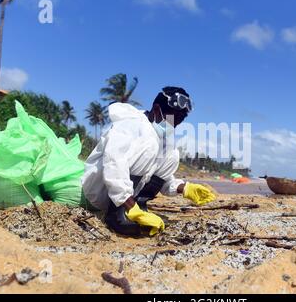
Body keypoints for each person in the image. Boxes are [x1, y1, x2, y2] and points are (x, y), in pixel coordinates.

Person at [81, 87, 216, 236]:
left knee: (171, 155)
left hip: (127, 195)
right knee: (149, 147)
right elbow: (114, 163)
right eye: (173, 119)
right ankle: (119, 213)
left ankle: (138, 205)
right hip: (97, 193)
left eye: (178, 122)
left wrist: (184, 188)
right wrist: (128, 204)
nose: (174, 125)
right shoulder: (131, 125)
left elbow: (155, 176)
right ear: (157, 110)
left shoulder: (161, 138)